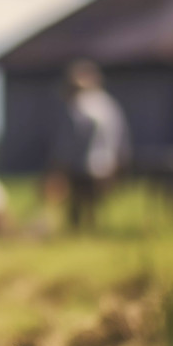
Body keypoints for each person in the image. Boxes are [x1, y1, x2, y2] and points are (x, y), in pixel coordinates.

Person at [45, 59, 131, 231]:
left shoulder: (78, 105)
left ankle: (77, 234)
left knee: (77, 205)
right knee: (94, 205)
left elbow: (69, 140)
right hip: (105, 165)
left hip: (81, 167)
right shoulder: (108, 104)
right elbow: (121, 136)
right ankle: (91, 233)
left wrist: (58, 164)